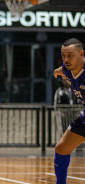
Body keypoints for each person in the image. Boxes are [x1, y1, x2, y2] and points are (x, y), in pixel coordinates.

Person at [53, 38, 85, 184]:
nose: (66, 59)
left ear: (81, 54)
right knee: (61, 148)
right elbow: (61, 70)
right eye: (63, 55)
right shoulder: (67, 69)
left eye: (70, 55)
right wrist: (57, 72)